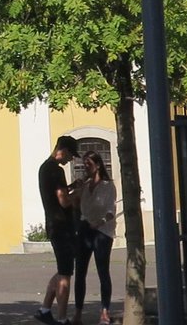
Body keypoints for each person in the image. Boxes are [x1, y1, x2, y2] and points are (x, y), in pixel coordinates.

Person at [36, 135, 80, 325]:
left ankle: (45, 309)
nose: (70, 160)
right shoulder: (56, 170)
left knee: (63, 269)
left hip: (53, 225)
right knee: (65, 274)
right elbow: (63, 200)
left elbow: (55, 193)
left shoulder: (44, 168)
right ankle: (62, 318)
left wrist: (70, 187)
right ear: (63, 150)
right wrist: (78, 194)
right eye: (70, 155)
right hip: (62, 226)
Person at [73, 151, 116, 325]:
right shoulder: (85, 185)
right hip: (85, 229)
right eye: (84, 165)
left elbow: (111, 212)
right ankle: (77, 313)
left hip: (102, 232)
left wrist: (99, 222)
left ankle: (105, 311)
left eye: (89, 165)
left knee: (102, 271)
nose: (86, 168)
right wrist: (76, 189)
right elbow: (76, 206)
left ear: (97, 165)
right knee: (80, 272)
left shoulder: (108, 186)